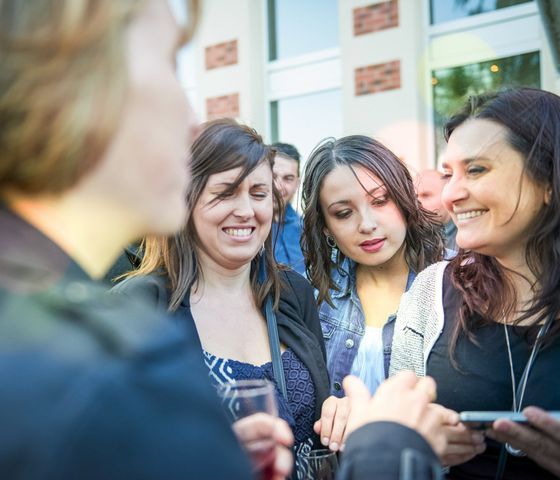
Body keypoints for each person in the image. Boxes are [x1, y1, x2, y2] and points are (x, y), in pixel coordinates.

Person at [0, 1, 257, 478]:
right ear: (72, 84)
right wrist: (382, 448)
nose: (190, 117)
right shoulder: (124, 377)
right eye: (169, 62)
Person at [115, 119, 350, 478]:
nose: (246, 210)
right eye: (226, 192)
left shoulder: (292, 293)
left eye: (258, 194)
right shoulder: (141, 305)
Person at [391, 87, 560, 479]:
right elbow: (401, 448)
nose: (452, 194)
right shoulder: (430, 292)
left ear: (548, 178)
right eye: (448, 174)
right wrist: (416, 445)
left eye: (477, 169)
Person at [301, 136, 445, 397]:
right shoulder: (310, 294)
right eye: (344, 213)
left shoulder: (458, 281)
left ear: (405, 198)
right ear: (325, 227)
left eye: (379, 201)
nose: (366, 224)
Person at [271, 142, 306, 276]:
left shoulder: (307, 231)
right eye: (273, 176)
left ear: (297, 183)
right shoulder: (248, 229)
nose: (278, 187)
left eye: (288, 179)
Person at [416, 169, 458, 251]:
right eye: (414, 196)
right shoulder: (409, 237)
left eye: (426, 195)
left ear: (448, 196)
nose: (417, 203)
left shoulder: (467, 240)